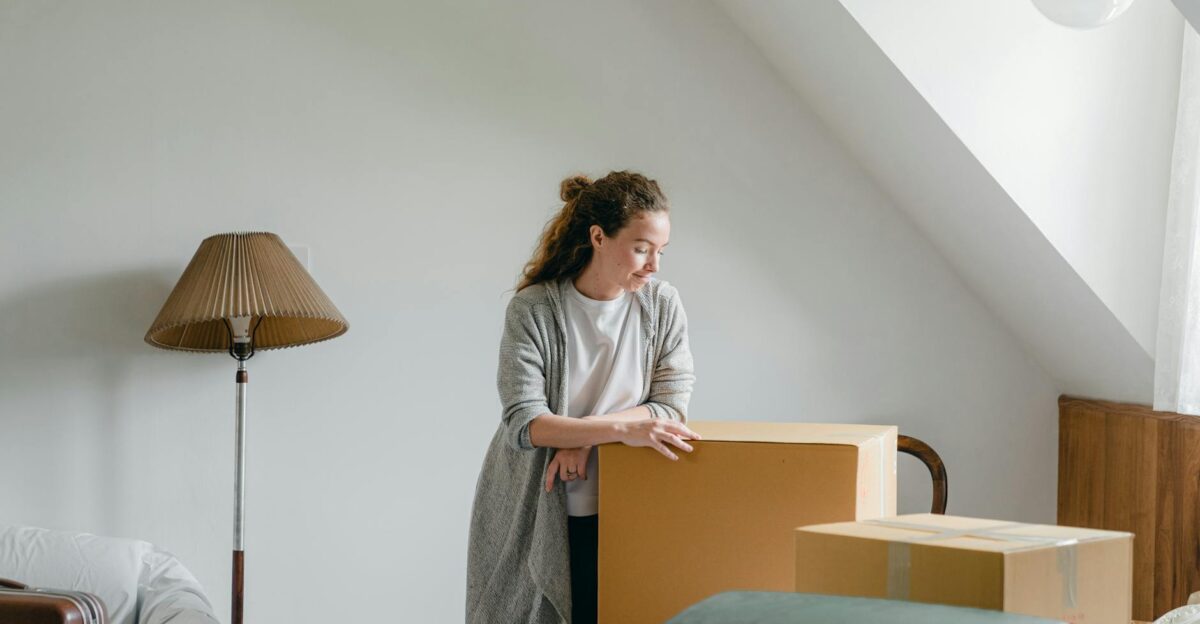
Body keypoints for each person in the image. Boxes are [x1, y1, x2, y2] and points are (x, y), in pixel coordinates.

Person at [466, 171, 699, 624]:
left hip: (625, 503)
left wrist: (585, 438)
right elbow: (525, 422)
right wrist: (619, 428)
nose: (654, 266)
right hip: (536, 505)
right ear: (598, 236)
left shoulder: (662, 304)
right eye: (641, 248)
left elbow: (671, 405)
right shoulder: (533, 309)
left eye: (660, 252)